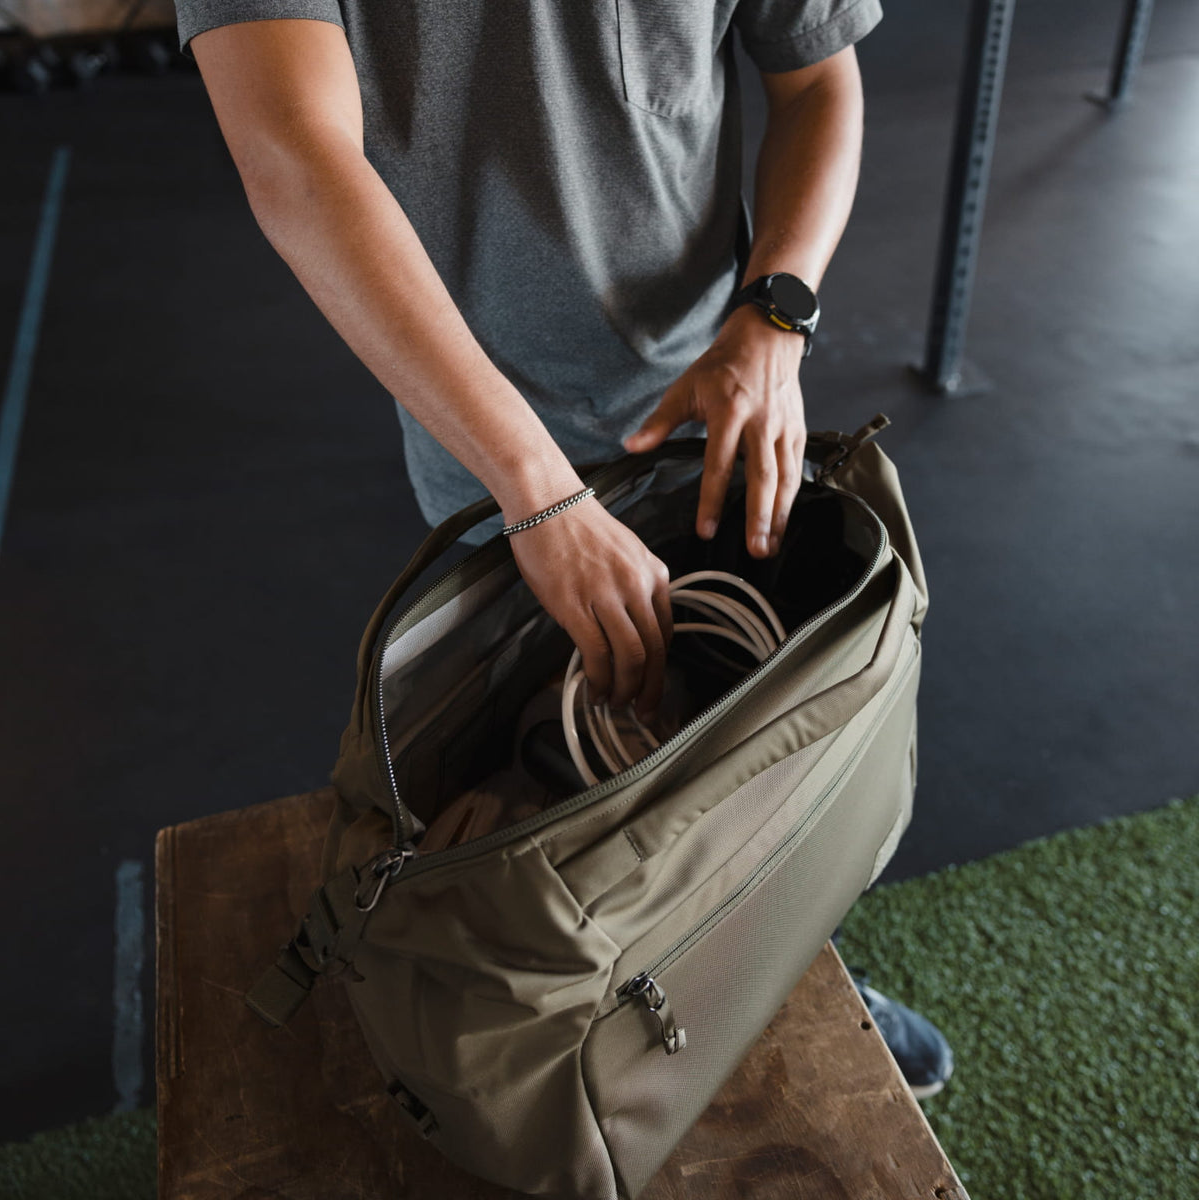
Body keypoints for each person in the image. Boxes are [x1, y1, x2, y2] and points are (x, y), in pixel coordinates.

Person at [175, 0, 951, 1099]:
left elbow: (819, 80)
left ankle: (782, 973)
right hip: (488, 431)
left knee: (761, 767)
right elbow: (296, 155)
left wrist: (775, 319)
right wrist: (537, 493)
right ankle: (597, 1067)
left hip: (714, 400)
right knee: (570, 796)